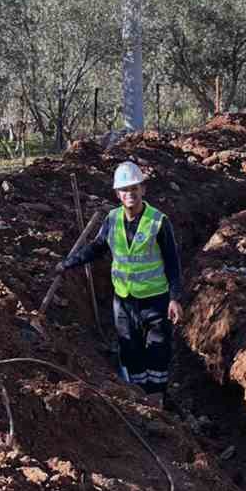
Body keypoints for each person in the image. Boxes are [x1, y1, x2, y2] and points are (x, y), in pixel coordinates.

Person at [57, 161, 184, 405]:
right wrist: (68, 263)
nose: (130, 194)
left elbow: (173, 263)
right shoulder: (112, 219)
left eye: (134, 188)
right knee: (129, 349)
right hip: (124, 300)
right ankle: (138, 396)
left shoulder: (158, 221)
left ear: (143, 189)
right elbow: (96, 248)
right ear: (117, 194)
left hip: (155, 299)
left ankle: (157, 397)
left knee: (158, 349)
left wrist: (175, 298)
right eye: (125, 190)